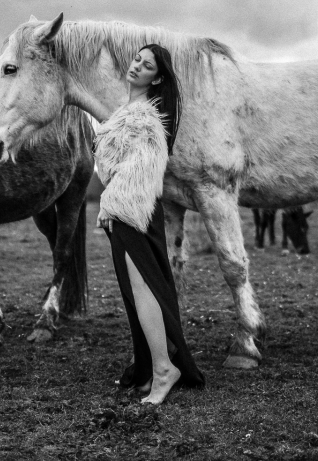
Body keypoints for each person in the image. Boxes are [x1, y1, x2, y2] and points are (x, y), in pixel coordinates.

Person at [94, 44, 205, 405]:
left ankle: (163, 370)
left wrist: (110, 205)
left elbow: (142, 174)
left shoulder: (145, 117)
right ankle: (150, 367)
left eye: (147, 65)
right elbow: (116, 168)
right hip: (126, 210)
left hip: (133, 211)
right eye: (136, 59)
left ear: (157, 77)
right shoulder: (127, 111)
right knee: (136, 291)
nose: (137, 66)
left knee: (144, 291)